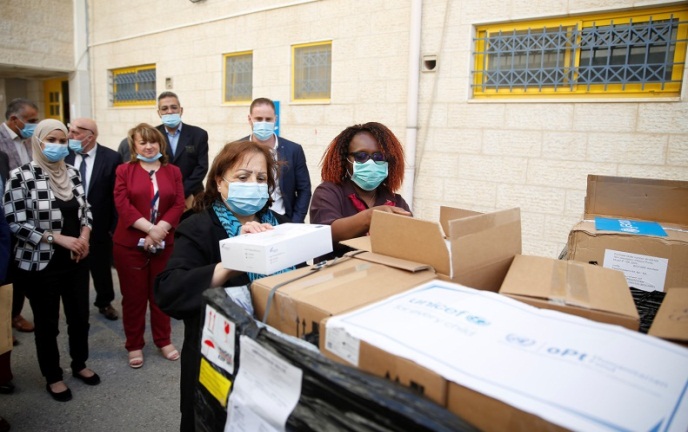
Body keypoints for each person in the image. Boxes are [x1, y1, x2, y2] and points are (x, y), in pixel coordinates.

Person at [155, 140, 293, 432]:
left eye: (261, 178)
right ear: (220, 182)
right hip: (217, 362)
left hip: (273, 360)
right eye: (243, 177)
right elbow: (169, 291)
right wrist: (235, 258)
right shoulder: (198, 227)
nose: (253, 184)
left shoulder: (280, 225)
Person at [4, 119, 99, 402]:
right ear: (39, 142)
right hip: (40, 263)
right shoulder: (21, 176)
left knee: (80, 317)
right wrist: (57, 238)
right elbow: (15, 223)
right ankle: (53, 376)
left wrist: (84, 234)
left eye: (62, 141)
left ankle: (79, 363)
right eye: (52, 141)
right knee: (47, 324)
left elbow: (86, 209)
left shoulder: (72, 172)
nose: (58, 146)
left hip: (76, 259)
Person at [113, 123, 185, 369]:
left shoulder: (173, 171)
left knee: (160, 294)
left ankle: (163, 340)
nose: (148, 146)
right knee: (133, 298)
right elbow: (122, 204)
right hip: (130, 244)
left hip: (164, 242)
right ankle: (134, 344)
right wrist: (150, 230)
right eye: (142, 142)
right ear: (134, 145)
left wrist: (161, 229)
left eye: (152, 141)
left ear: (160, 143)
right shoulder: (124, 170)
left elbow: (178, 203)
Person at [310, 122, 412, 260]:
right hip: (336, 276)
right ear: (345, 160)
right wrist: (369, 217)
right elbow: (326, 234)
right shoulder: (329, 192)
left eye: (379, 157)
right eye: (361, 156)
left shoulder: (395, 201)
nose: (371, 163)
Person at [67, 118, 123, 320]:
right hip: (70, 225)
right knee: (72, 267)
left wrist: (115, 227)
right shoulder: (64, 155)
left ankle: (104, 302)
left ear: (90, 136)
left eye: (75, 133)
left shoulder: (111, 158)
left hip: (100, 224)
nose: (70, 136)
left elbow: (116, 195)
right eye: (70, 131)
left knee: (101, 268)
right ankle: (74, 303)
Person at [117, 92, 209, 216]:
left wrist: (182, 193)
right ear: (159, 112)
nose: (170, 111)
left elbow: (201, 167)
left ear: (181, 110)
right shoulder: (153, 136)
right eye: (164, 109)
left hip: (192, 196)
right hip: (161, 195)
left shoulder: (198, 134)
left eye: (174, 107)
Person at [0, 98, 39, 334]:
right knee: (6, 271)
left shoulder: (29, 141)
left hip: (29, 214)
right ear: (15, 120)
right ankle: (3, 323)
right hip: (4, 217)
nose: (35, 125)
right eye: (32, 120)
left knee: (22, 270)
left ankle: (14, 314)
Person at [243, 97, 311, 223]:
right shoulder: (237, 148)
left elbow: (304, 189)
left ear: (275, 119)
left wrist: (295, 222)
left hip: (283, 219)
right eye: (258, 119)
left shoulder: (293, 150)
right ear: (249, 119)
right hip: (248, 221)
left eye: (268, 119)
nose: (263, 123)